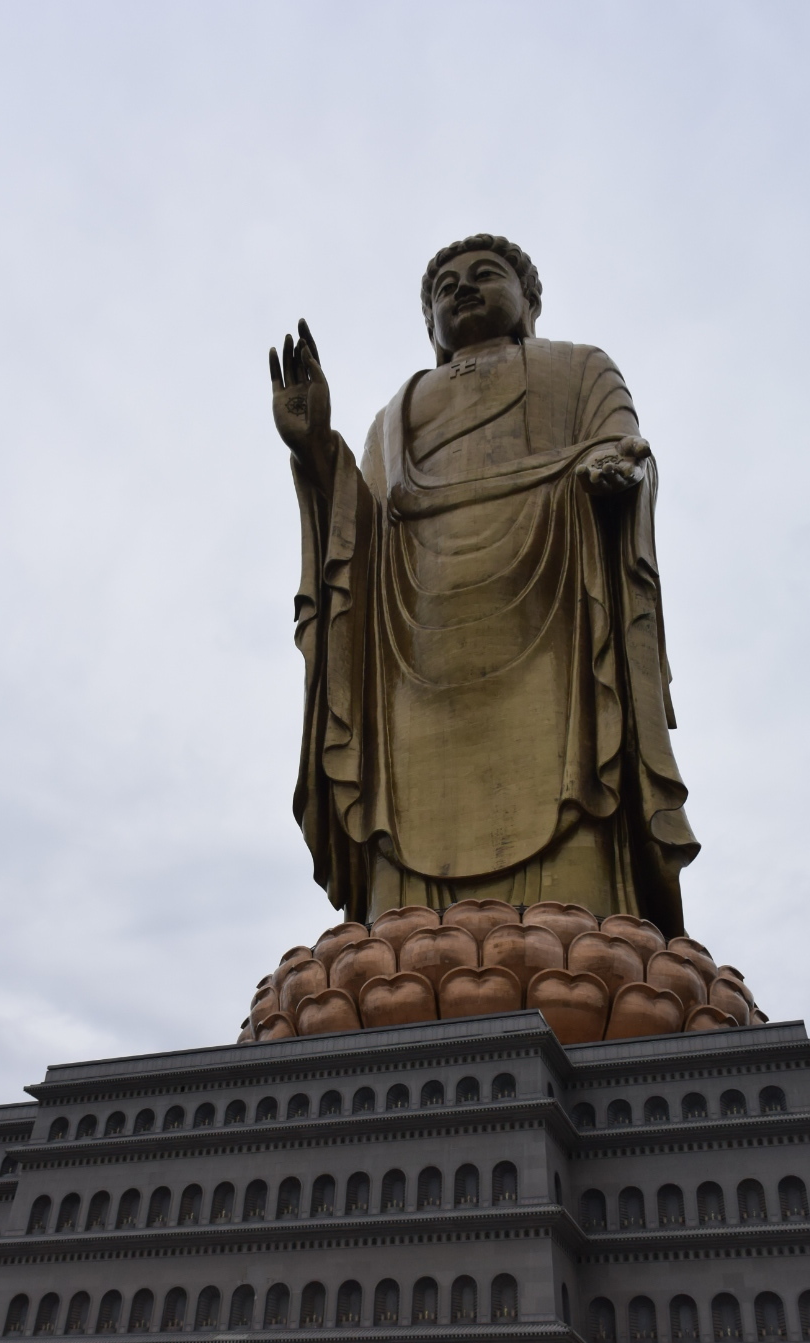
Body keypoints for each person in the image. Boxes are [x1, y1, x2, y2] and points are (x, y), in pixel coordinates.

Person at [269, 233, 698, 936]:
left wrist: (610, 473)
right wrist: (317, 446)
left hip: (555, 631)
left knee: (578, 869)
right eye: (444, 288)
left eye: (484, 275)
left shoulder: (581, 370)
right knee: (402, 896)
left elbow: (623, 448)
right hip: (416, 660)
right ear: (429, 324)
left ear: (529, 301)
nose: (461, 290)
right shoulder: (394, 415)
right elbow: (362, 538)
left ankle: (581, 921)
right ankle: (406, 934)